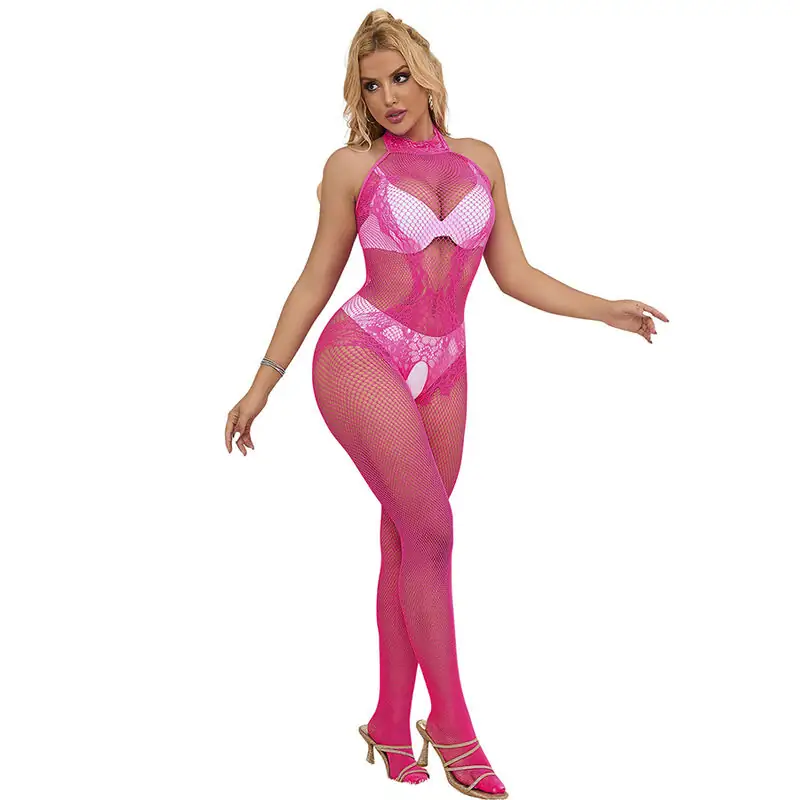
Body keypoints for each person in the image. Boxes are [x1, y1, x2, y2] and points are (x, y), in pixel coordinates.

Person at [225, 10, 668, 798]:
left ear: (427, 75)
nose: (389, 97)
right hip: (362, 354)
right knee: (433, 530)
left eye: (399, 77)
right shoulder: (352, 168)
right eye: (371, 86)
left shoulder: (481, 159)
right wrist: (263, 382)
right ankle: (454, 726)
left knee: (409, 542)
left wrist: (604, 308)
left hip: (447, 368)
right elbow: (315, 279)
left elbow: (515, 274)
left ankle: (391, 722)